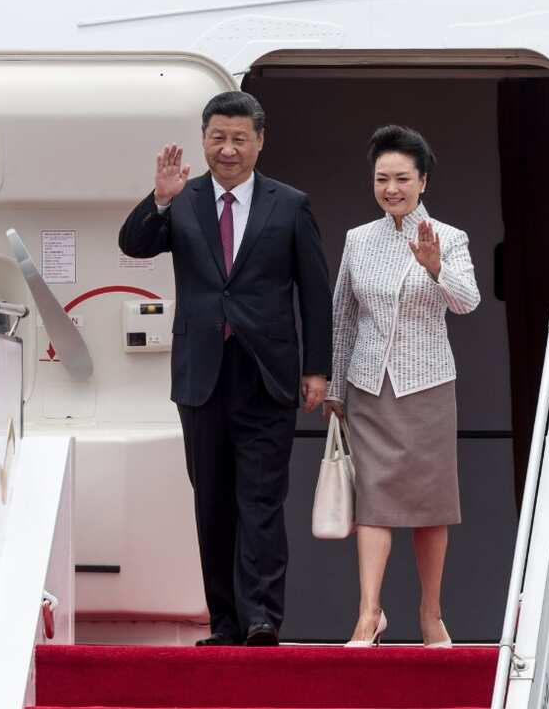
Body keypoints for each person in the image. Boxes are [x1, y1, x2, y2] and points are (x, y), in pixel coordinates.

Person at [118, 91, 332, 647]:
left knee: (260, 499)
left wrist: (317, 369)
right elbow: (134, 244)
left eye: (240, 138)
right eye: (218, 137)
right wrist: (159, 201)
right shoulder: (182, 200)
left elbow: (315, 292)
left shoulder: (290, 205)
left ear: (260, 140)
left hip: (267, 373)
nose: (228, 149)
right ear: (204, 138)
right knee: (212, 501)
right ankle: (224, 623)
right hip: (202, 373)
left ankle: (261, 616)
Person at [324, 125, 480, 648]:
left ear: (423, 181)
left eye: (402, 178)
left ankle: (430, 614)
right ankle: (369, 614)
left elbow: (468, 302)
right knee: (373, 500)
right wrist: (336, 390)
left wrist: (436, 268)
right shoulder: (357, 239)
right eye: (382, 178)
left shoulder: (448, 237)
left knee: (430, 503)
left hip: (427, 383)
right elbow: (342, 316)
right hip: (368, 384)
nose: (392, 188)